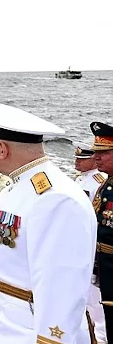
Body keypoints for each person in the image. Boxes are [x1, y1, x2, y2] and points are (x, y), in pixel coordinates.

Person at [0, 103, 96, 344]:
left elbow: (62, 290)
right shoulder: (19, 187)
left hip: (23, 333)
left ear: (2, 149)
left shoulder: (58, 200)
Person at [74, 140, 109, 343]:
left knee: (97, 301)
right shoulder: (79, 180)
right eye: (77, 157)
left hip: (96, 249)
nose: (77, 161)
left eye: (82, 158)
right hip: (83, 247)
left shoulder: (99, 181)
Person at [91, 122, 113, 341]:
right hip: (104, 267)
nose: (96, 157)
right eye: (96, 152)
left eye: (103, 152)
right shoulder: (107, 184)